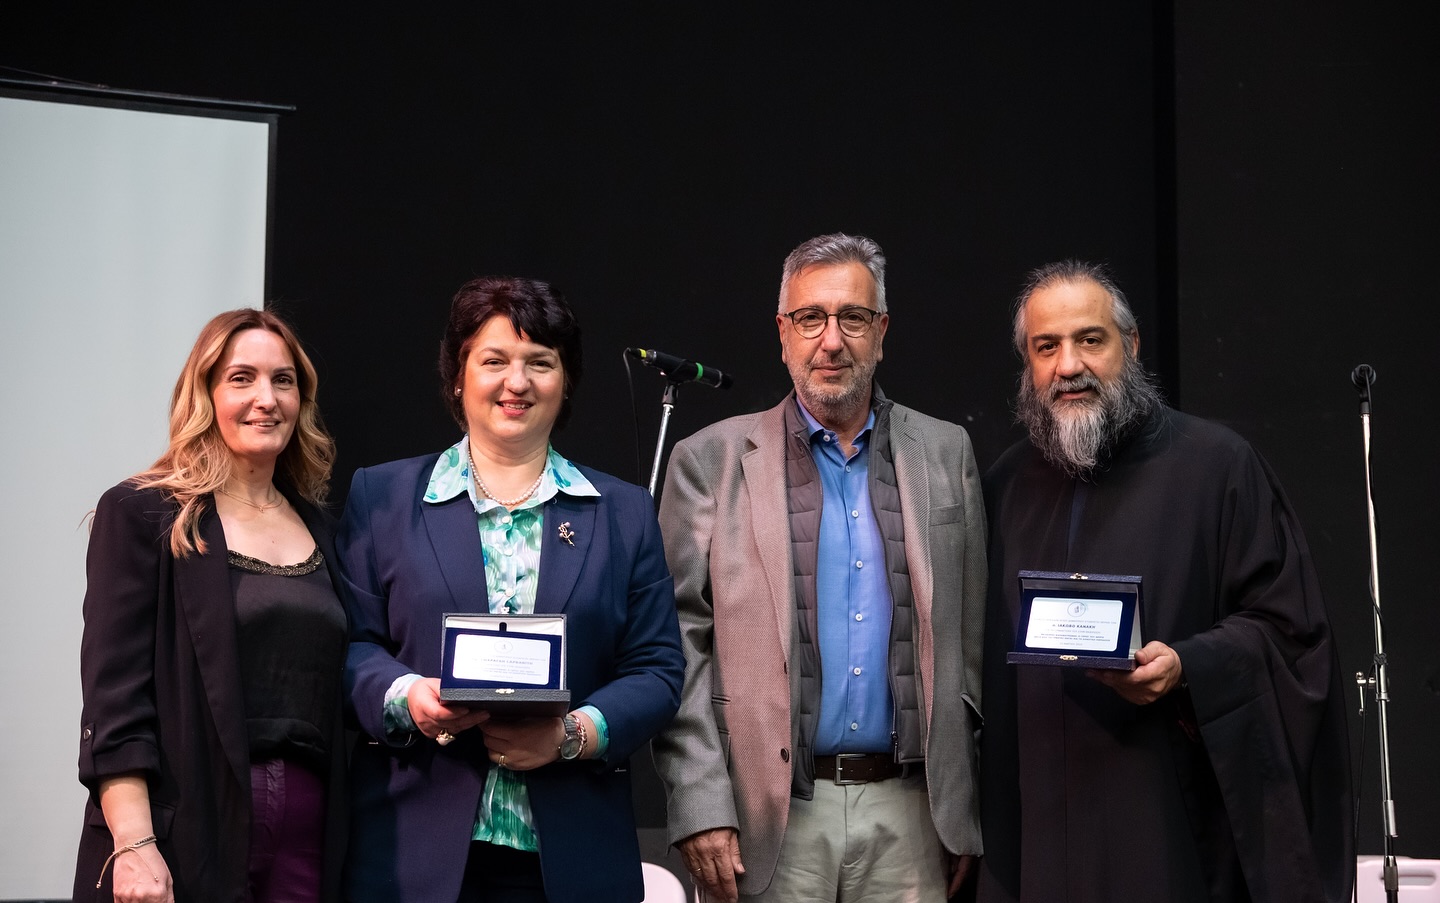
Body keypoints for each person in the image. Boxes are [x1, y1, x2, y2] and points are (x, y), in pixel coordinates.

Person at [976, 260, 1353, 902]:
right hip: (1033, 835)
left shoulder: (1217, 468)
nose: (1069, 365)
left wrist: (1187, 666)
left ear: (1131, 345)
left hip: (1167, 830)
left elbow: (1292, 636)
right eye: (1046, 347)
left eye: (1090, 339)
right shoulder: (1006, 485)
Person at [653, 233, 986, 903]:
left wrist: (962, 803)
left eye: (852, 317)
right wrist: (699, 801)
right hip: (764, 818)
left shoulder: (946, 452)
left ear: (881, 332)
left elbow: (969, 641)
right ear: (783, 333)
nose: (831, 340)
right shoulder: (709, 461)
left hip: (911, 814)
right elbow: (675, 647)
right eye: (811, 318)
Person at [338, 276, 684, 903]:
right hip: (414, 854)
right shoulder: (382, 499)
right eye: (494, 360)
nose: (516, 382)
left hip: (573, 857)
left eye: (540, 363)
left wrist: (571, 736)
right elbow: (352, 647)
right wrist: (409, 697)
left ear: (566, 381)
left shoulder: (624, 513)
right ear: (458, 376)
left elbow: (657, 670)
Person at [74, 309, 348, 903]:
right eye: (241, 378)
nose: (266, 399)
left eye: (283, 380)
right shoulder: (143, 514)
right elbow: (115, 700)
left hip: (308, 840)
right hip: (184, 832)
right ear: (205, 394)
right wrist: (135, 844)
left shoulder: (327, 530)